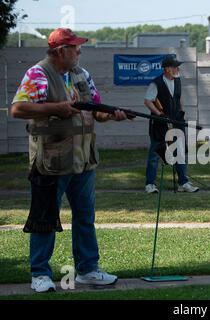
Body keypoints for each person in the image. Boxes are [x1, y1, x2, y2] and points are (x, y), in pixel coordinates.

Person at [10, 28, 128, 293]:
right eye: (75, 48)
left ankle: (88, 270)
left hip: (83, 160)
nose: (79, 52)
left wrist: (112, 115)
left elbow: (96, 110)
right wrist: (55, 108)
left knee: (85, 216)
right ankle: (40, 274)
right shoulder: (38, 75)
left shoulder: (81, 75)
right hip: (50, 161)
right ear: (61, 51)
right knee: (45, 217)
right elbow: (17, 109)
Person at [143, 55, 199, 194]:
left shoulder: (178, 80)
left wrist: (182, 110)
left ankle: (183, 183)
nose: (177, 69)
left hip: (176, 121)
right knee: (155, 153)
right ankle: (150, 184)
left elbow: (179, 97)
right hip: (160, 123)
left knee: (180, 151)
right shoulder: (156, 83)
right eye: (175, 66)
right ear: (167, 69)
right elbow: (148, 101)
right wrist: (159, 114)